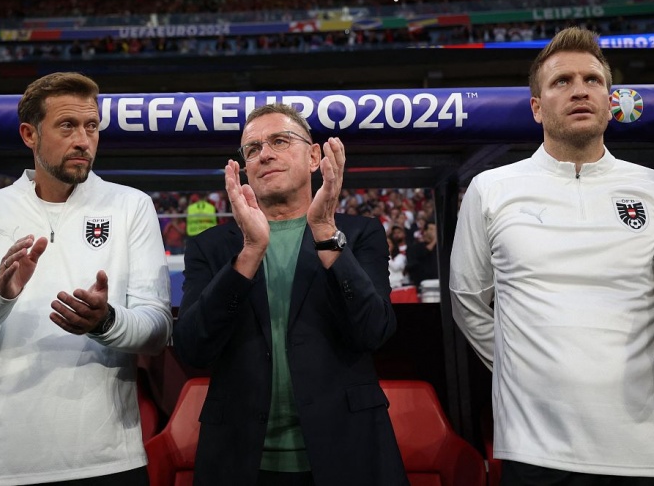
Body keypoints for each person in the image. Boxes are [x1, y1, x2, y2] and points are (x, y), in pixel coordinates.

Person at [0, 72, 173, 485]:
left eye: (91, 126)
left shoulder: (131, 206)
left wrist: (106, 321)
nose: (83, 140)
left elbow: (157, 331)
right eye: (67, 126)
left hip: (107, 461)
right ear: (30, 134)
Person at [450, 27, 654, 485]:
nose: (580, 90)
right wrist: (520, 367)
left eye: (592, 80)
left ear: (609, 101)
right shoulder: (491, 189)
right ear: (537, 107)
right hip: (534, 448)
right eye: (562, 81)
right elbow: (466, 299)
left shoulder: (650, 188)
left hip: (641, 449)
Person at [173, 103, 407, 485]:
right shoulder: (210, 246)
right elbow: (192, 348)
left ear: (314, 156)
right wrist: (250, 252)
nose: (265, 154)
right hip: (240, 458)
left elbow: (374, 331)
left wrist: (325, 231)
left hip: (347, 452)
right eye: (252, 149)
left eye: (280, 141)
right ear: (245, 167)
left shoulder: (359, 233)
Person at [405, 219, 438, 288]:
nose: (435, 232)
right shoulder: (415, 247)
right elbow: (424, 251)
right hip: (424, 284)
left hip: (439, 281)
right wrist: (435, 240)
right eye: (432, 229)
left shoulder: (439, 248)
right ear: (425, 232)